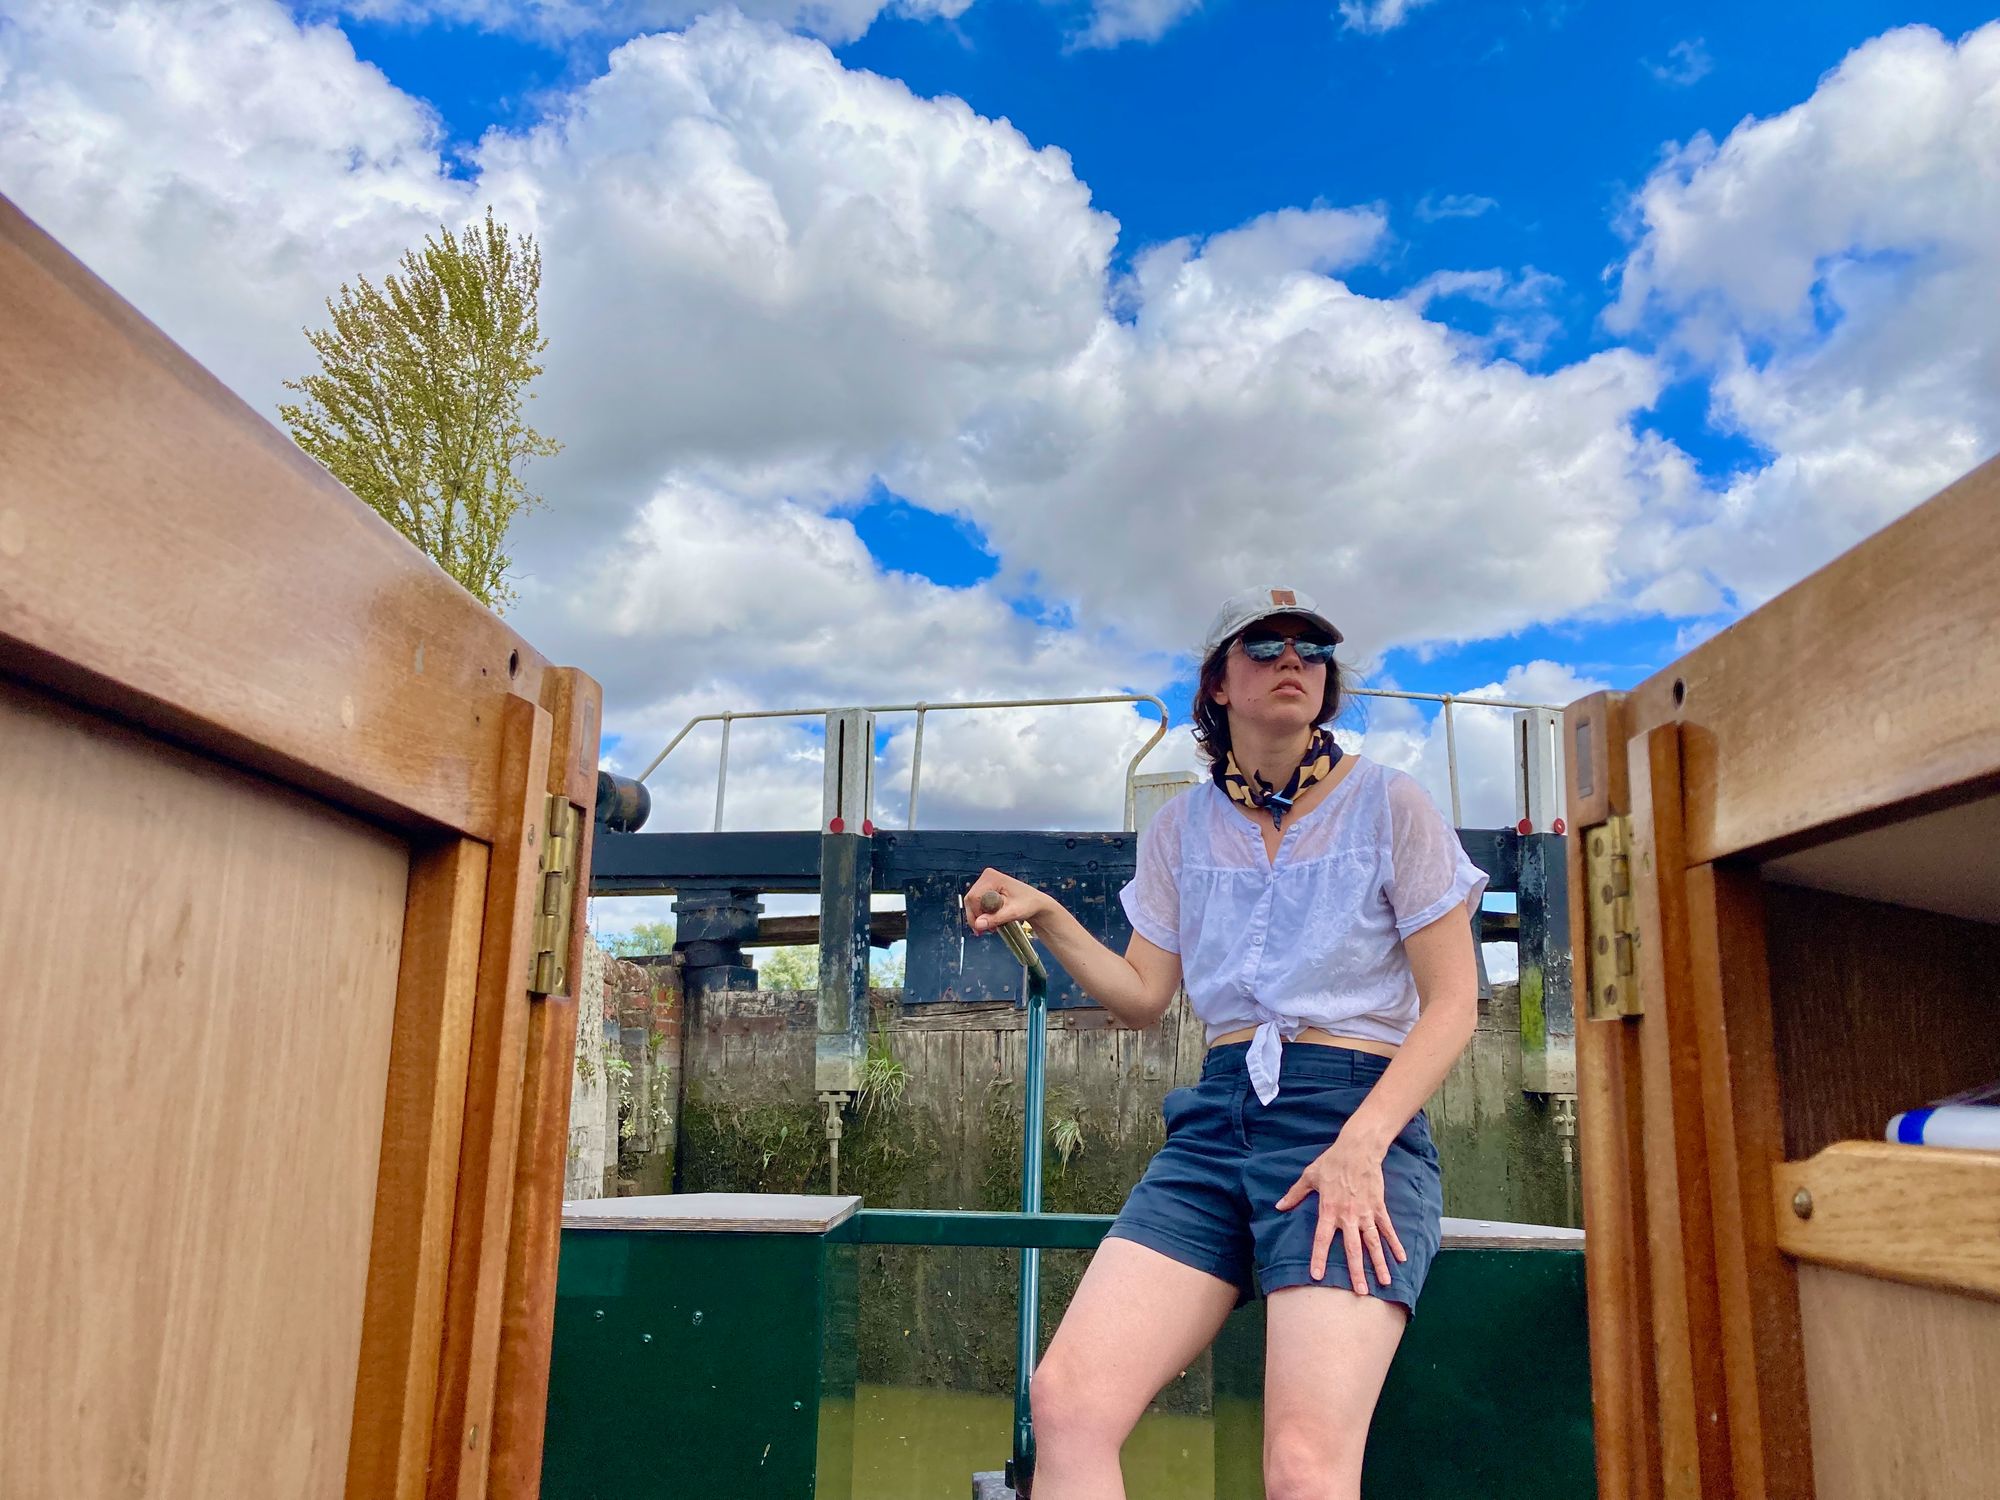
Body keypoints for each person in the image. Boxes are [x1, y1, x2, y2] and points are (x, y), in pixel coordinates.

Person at [962, 585, 1485, 1500]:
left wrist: (1361, 1148)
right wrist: (1047, 916)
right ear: (1217, 685)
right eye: (1266, 646)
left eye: (1311, 651)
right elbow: (1141, 996)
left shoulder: (1391, 804)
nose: (1294, 661)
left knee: (1302, 1467)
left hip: (1348, 1116)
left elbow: (1453, 1005)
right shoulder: (1179, 828)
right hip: (1216, 1123)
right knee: (1069, 1404)